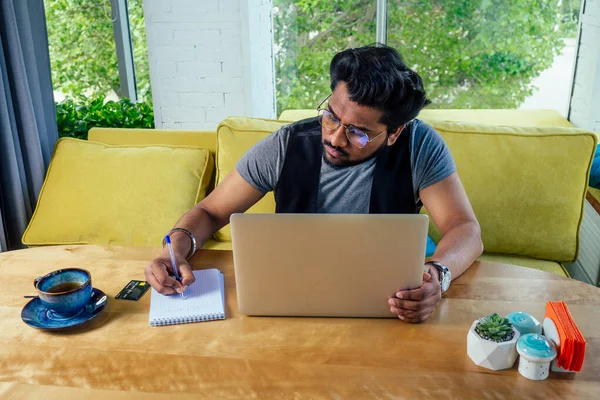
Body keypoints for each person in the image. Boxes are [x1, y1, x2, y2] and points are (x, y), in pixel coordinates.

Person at [144, 44, 484, 323]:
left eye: (358, 132)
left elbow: (464, 228)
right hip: (291, 301)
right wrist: (172, 252)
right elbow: (210, 211)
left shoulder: (419, 144)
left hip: (388, 306)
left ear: (394, 132)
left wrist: (438, 276)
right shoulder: (287, 144)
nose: (335, 137)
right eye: (332, 115)